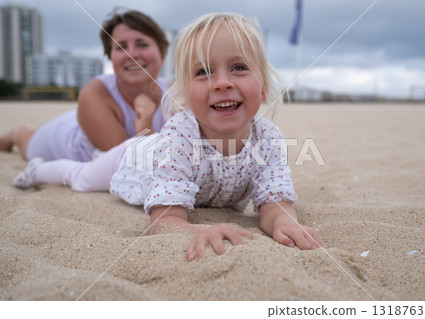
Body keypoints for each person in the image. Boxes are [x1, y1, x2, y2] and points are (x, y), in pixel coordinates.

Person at [12, 12, 323, 261]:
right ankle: (37, 169)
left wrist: (284, 222)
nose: (222, 83)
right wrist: (192, 231)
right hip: (132, 159)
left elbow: (273, 201)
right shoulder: (180, 135)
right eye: (204, 72)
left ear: (264, 86)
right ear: (185, 96)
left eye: (239, 67)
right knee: (79, 176)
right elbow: (165, 220)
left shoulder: (268, 138)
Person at [0, 10, 170, 162]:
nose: (131, 54)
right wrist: (146, 126)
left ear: (162, 54)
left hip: (90, 118)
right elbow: (126, 166)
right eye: (121, 47)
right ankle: (16, 132)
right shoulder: (95, 92)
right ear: (111, 58)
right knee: (27, 143)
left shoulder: (176, 93)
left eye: (142, 44)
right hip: (66, 142)